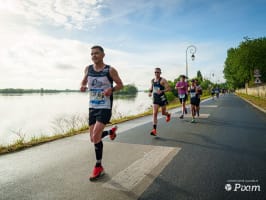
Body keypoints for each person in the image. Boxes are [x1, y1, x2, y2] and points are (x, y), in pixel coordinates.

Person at [80, 45, 123, 181]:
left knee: (95, 135)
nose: (94, 56)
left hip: (105, 106)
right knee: (93, 139)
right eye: (92, 54)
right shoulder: (88, 68)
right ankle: (110, 132)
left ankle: (98, 166)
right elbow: (84, 81)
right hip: (92, 106)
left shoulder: (110, 70)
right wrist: (82, 85)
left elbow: (121, 85)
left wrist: (111, 90)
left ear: (103, 55)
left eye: (97, 53)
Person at [148, 68, 171, 136]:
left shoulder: (163, 80)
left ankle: (168, 115)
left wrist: (162, 91)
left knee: (163, 113)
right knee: (155, 113)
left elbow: (169, 88)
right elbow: (151, 88)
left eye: (158, 72)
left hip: (162, 98)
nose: (156, 73)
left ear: (160, 73)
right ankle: (154, 130)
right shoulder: (152, 80)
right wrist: (150, 92)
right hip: (155, 99)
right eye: (155, 72)